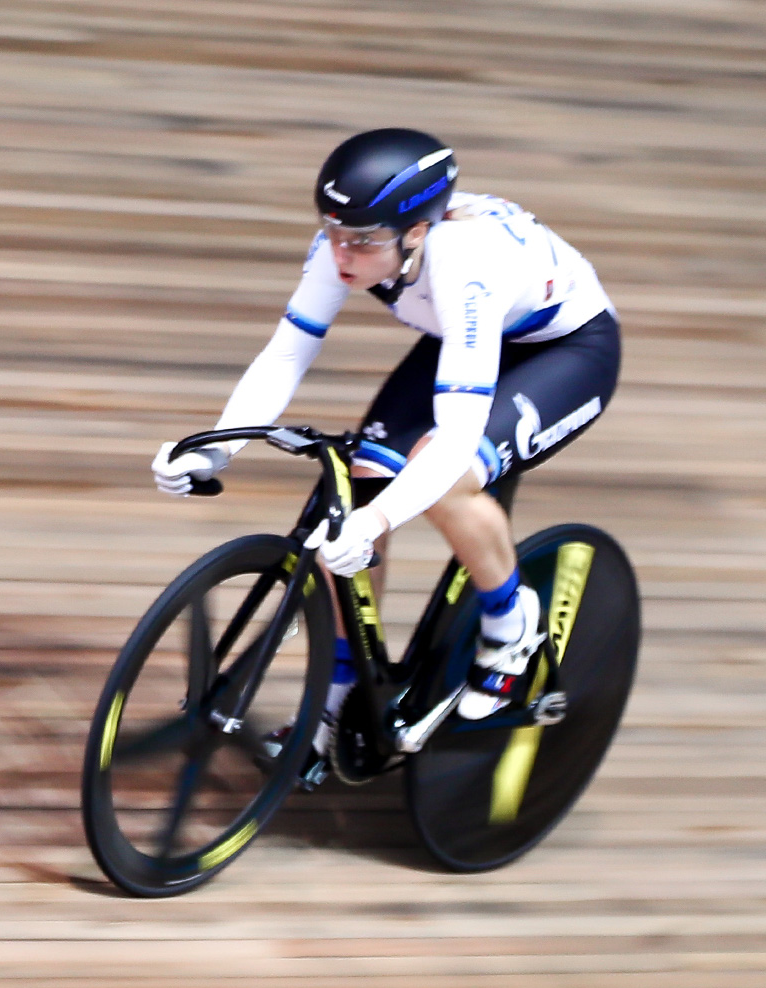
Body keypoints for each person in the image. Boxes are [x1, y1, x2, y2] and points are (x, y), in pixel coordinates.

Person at [152, 127, 620, 747]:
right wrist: (215, 447)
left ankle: (512, 624)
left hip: (566, 352)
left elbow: (455, 436)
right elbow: (285, 357)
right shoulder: (346, 241)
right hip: (465, 338)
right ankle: (344, 692)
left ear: (417, 232)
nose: (342, 255)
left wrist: (374, 531)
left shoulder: (466, 264)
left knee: (446, 480)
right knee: (362, 488)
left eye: (363, 242)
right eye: (332, 231)